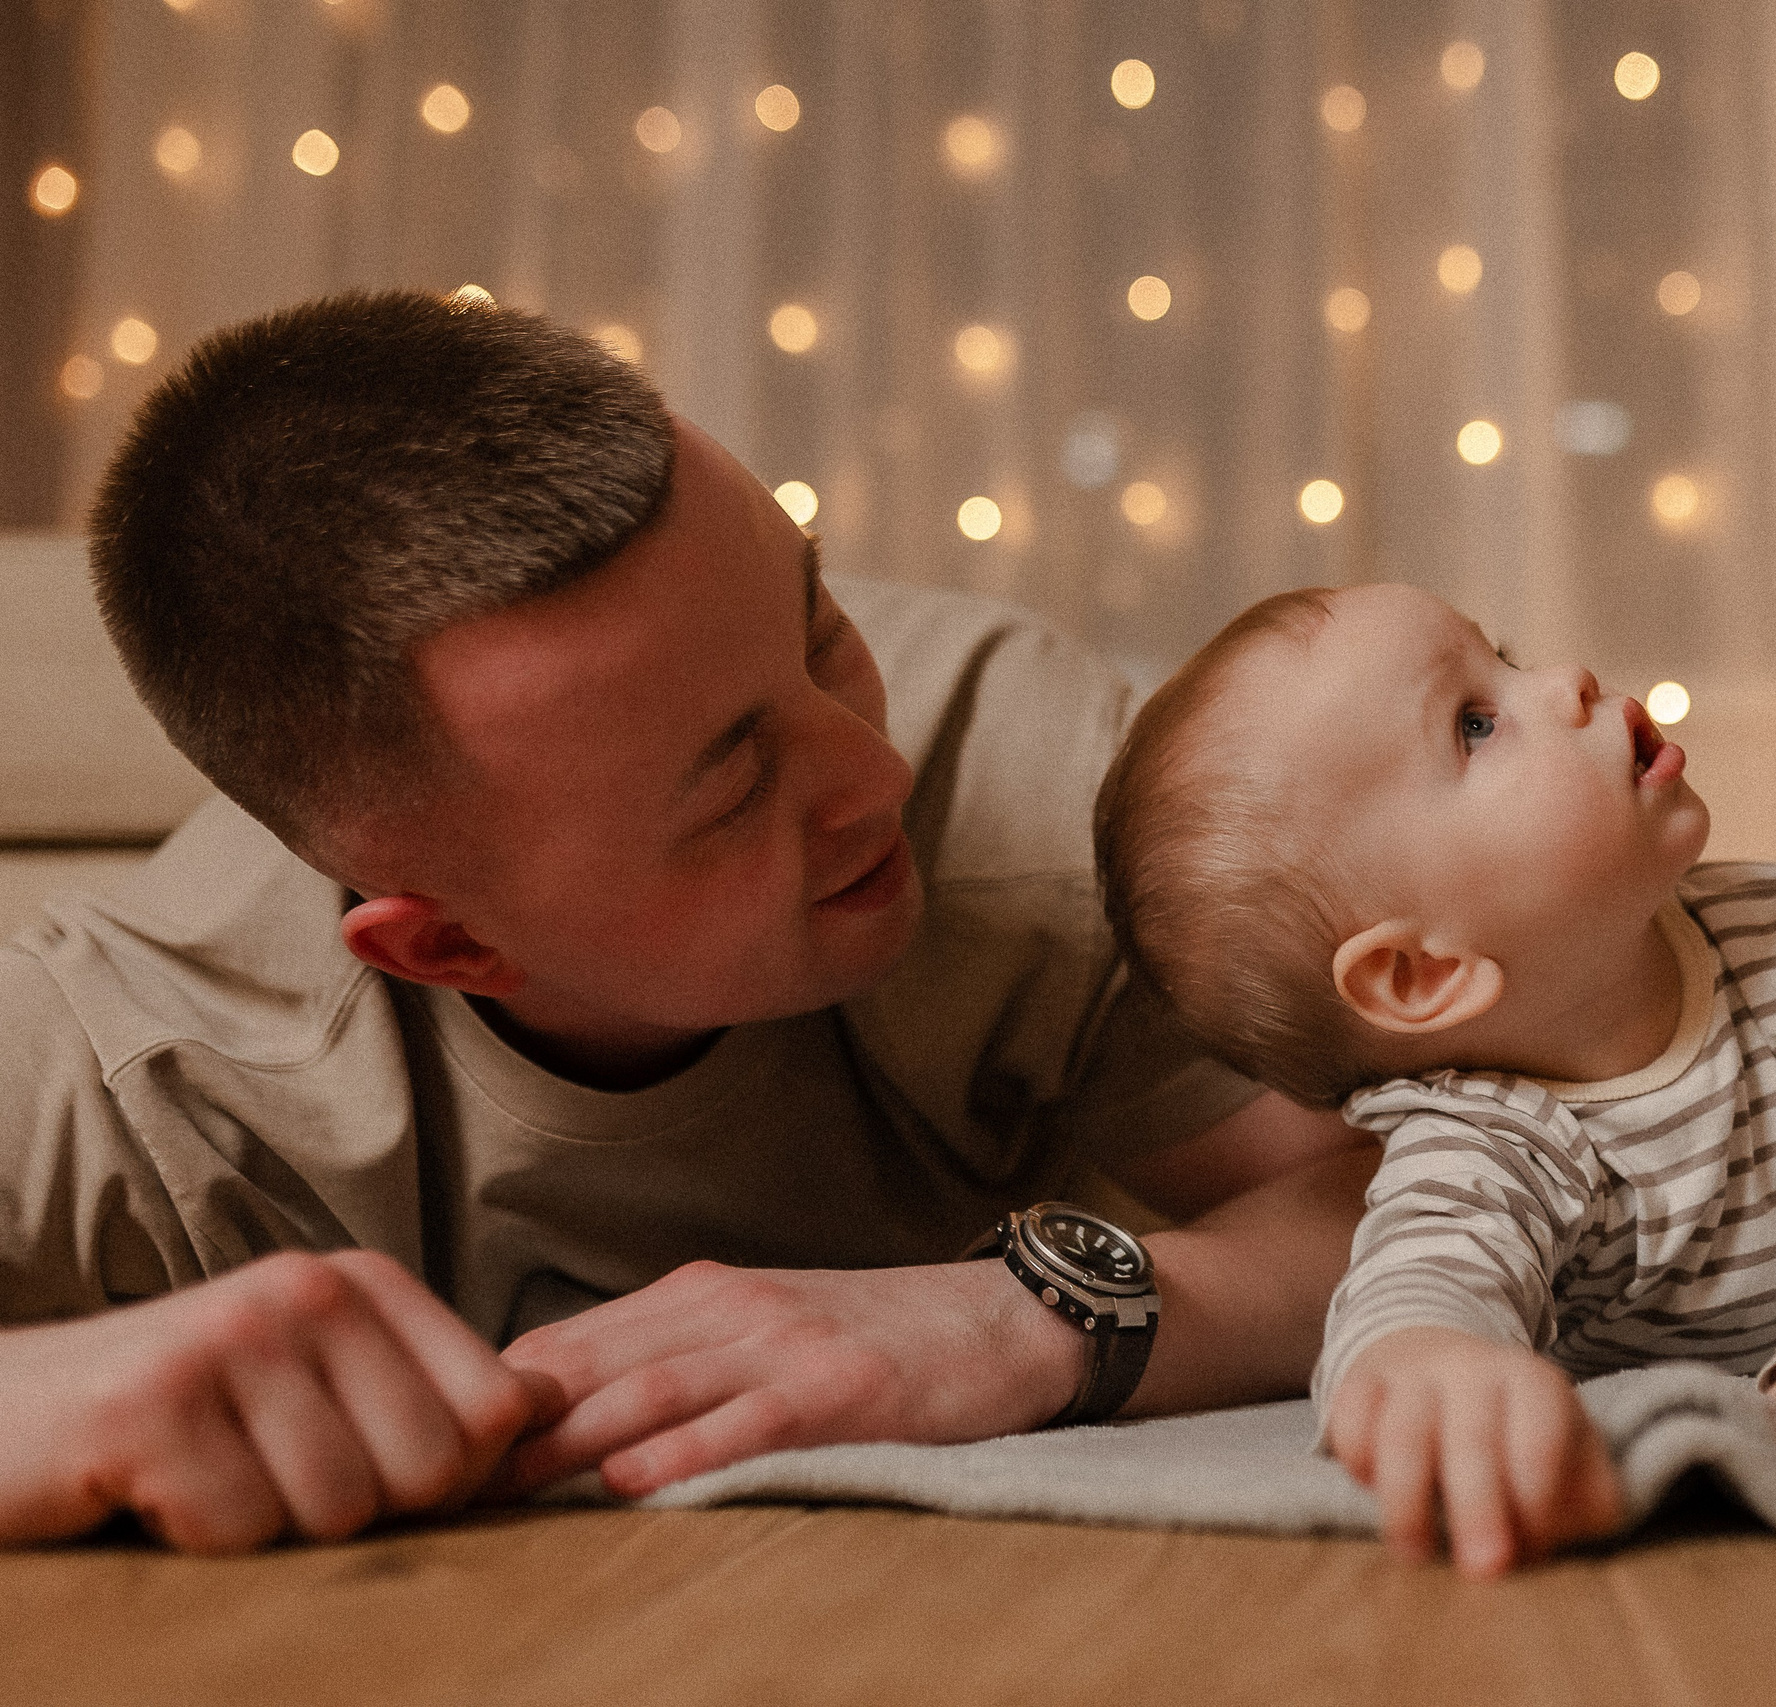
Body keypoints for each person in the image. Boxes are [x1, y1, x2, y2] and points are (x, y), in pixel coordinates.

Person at [0, 290, 1372, 1554]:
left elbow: (1454, 1191)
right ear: (449, 946)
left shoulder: (1021, 773)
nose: (875, 774)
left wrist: (1022, 1319)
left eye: (818, 619)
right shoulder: (125, 1069)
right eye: (732, 787)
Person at [1092, 581, 1776, 1576]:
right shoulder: (1480, 1133)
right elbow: (1427, 1276)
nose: (1564, 682)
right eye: (1477, 724)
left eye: (1507, 658)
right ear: (1420, 974)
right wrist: (1430, 1365)